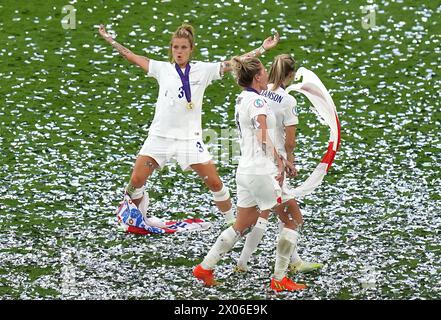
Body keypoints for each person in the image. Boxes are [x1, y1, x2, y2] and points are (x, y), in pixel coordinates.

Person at [97, 23, 279, 226]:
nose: (179, 51)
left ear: (191, 49)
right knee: (136, 181)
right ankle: (138, 218)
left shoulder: (204, 70)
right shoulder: (162, 68)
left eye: (183, 47)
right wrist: (109, 39)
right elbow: (130, 56)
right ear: (171, 49)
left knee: (215, 182)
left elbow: (234, 64)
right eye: (175, 47)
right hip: (160, 137)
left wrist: (262, 48)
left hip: (189, 140)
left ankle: (233, 226)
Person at [193, 56, 306, 292]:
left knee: (242, 225)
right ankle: (279, 278)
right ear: (257, 77)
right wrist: (281, 160)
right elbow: (262, 136)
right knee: (292, 219)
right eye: (264, 71)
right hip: (262, 172)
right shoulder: (257, 103)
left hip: (245, 170)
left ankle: (205, 267)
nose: (267, 74)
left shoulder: (243, 98)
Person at [234, 54, 323, 274]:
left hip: (251, 161)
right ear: (291, 75)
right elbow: (290, 140)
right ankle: (282, 271)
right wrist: (289, 161)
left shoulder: (258, 92)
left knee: (260, 216)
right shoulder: (288, 100)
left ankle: (243, 263)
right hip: (273, 164)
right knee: (289, 217)